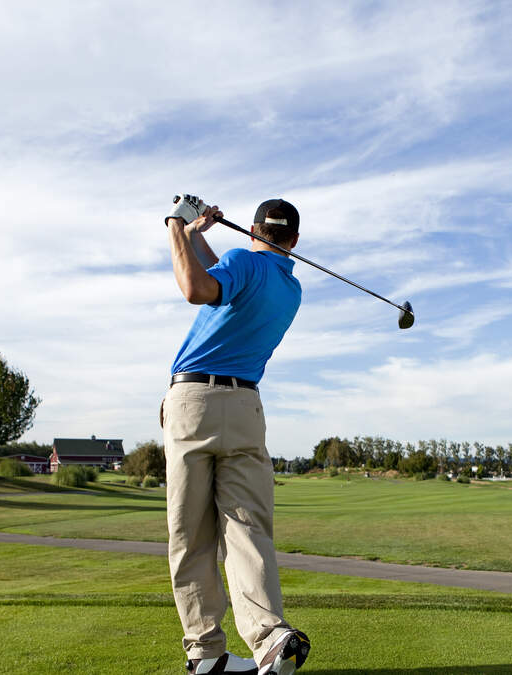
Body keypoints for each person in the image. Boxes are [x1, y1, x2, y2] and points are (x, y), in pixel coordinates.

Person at [161, 195, 312, 675]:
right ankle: (270, 638)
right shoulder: (289, 288)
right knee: (246, 529)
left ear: (251, 230)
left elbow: (196, 287)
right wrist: (199, 235)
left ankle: (205, 652)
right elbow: (229, 273)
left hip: (194, 404)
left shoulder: (241, 261)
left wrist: (175, 226)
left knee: (192, 534)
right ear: (295, 241)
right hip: (246, 408)